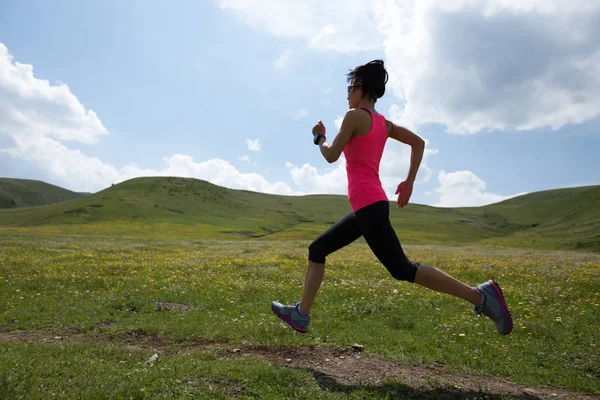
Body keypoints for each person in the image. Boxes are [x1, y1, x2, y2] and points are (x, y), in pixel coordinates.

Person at [271, 60, 512, 336]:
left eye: (350, 88)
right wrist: (409, 181)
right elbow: (418, 143)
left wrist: (319, 137)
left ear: (361, 89)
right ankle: (301, 314)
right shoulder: (384, 124)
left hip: (369, 206)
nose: (347, 95)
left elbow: (331, 155)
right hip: (368, 207)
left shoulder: (354, 117)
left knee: (403, 268)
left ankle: (481, 296)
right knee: (317, 249)